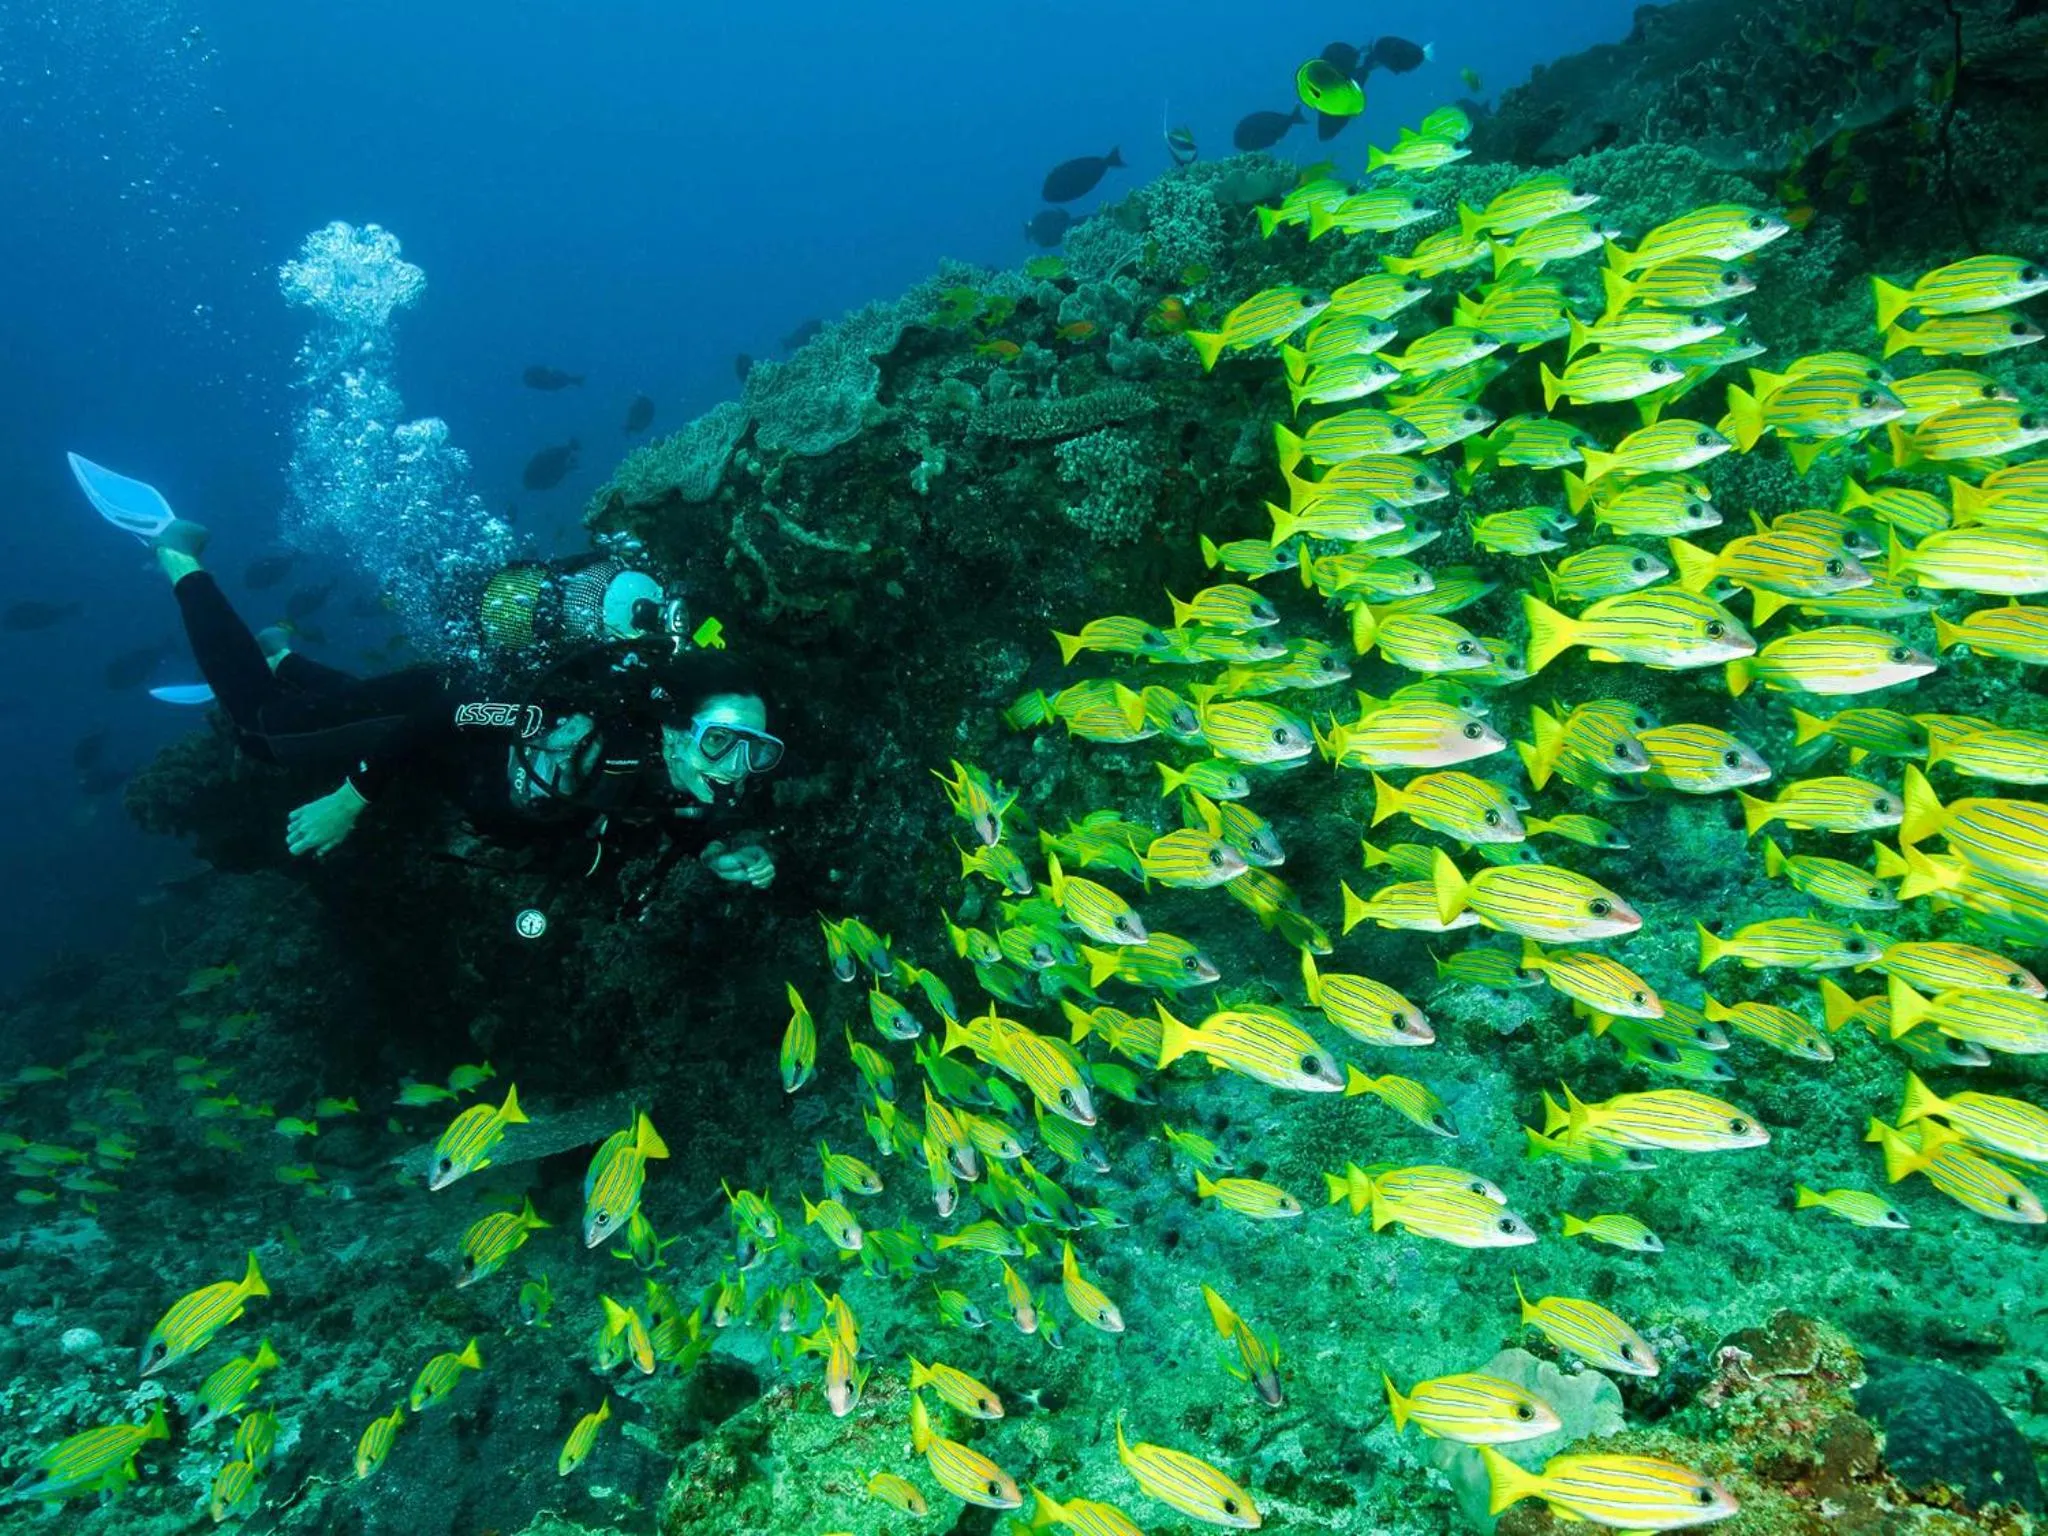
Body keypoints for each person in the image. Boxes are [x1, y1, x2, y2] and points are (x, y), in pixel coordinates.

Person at [73, 455, 779, 889]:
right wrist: (351, 801)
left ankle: (282, 653)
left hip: (456, 758)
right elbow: (455, 716)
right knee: (264, 732)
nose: (738, 768)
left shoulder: (680, 773)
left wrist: (718, 850)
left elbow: (669, 813)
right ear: (678, 728)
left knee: (356, 713)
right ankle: (179, 555)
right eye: (723, 741)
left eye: (759, 751)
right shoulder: (578, 727)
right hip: (447, 708)